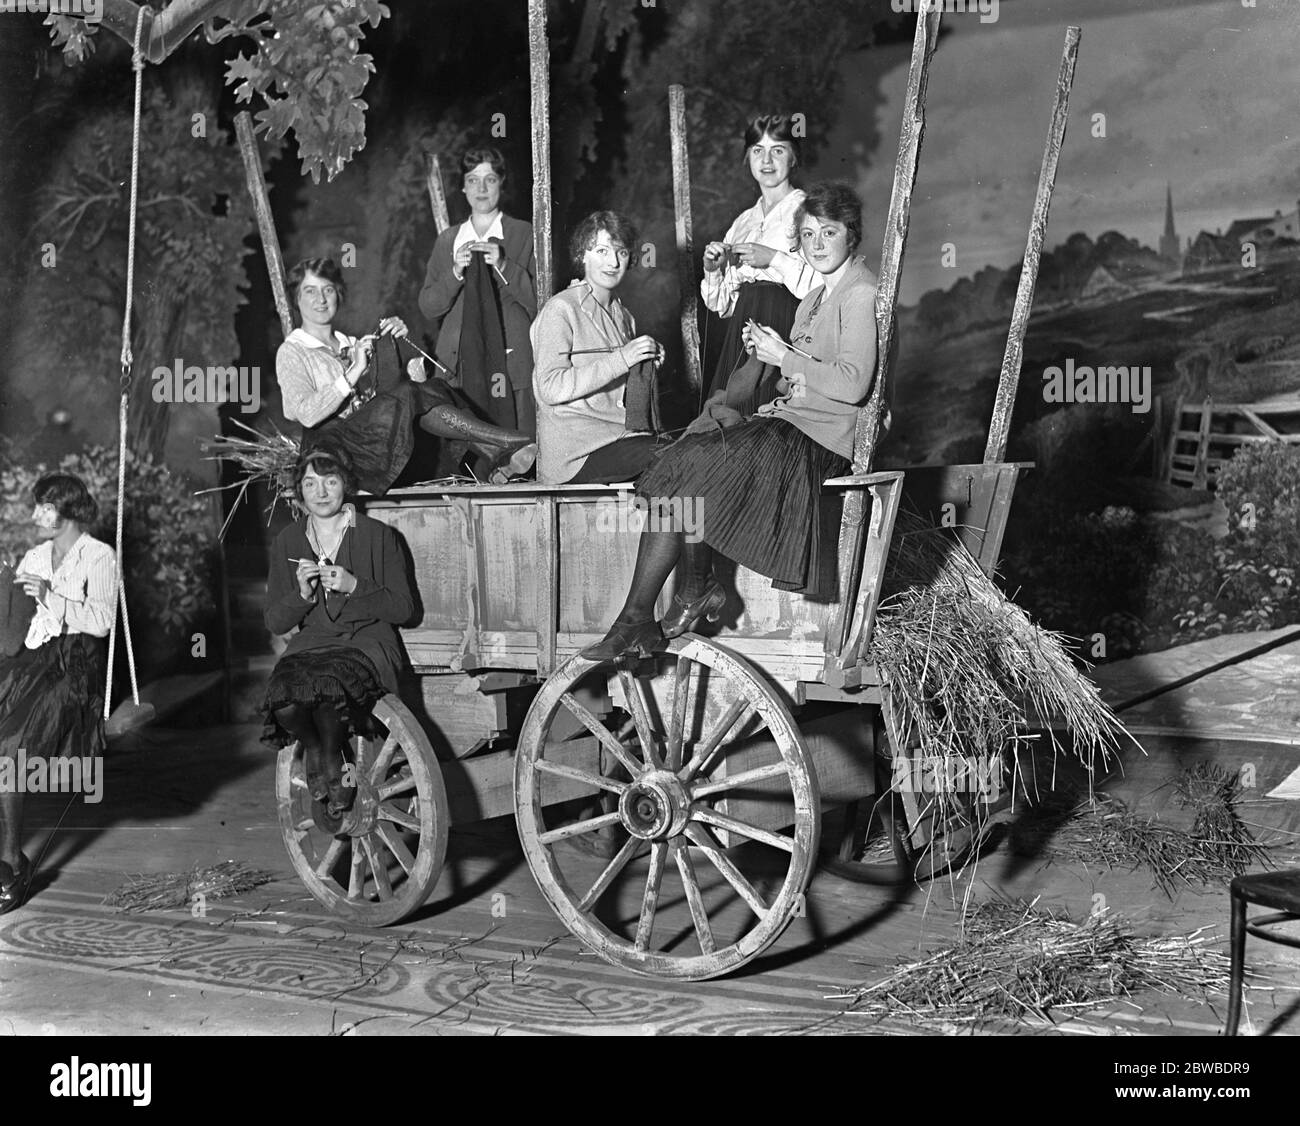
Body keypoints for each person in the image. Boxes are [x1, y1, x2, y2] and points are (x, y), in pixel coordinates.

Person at [582, 182, 878, 660]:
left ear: (852, 235)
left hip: (816, 442)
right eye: (807, 235)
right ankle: (641, 616)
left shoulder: (860, 294)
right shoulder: (818, 298)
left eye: (829, 232)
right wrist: (771, 360)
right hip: (791, 424)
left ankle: (683, 594)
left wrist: (785, 358)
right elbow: (806, 380)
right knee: (683, 460)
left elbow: (853, 384)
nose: (818, 244)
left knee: (693, 464)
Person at [278, 257, 535, 493]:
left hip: (372, 444)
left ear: (339, 295)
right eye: (309, 291)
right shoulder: (293, 351)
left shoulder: (352, 343)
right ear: (296, 299)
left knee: (427, 388)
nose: (321, 299)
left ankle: (495, 449)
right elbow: (306, 414)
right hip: (331, 453)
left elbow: (391, 396)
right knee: (410, 395)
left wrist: (396, 343)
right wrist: (354, 371)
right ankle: (506, 441)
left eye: (328, 290)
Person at [262, 447, 417, 825]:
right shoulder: (288, 541)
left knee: (330, 687)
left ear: (345, 484)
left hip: (367, 639)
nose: (321, 492)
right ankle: (318, 748)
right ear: (298, 492)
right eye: (310, 483)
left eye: (330, 481)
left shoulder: (379, 536)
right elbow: (275, 622)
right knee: (283, 695)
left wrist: (355, 585)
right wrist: (301, 596)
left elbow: (404, 611)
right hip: (314, 639)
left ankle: (330, 752)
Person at [0, 474, 115, 913]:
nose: (34, 516)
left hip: (75, 666)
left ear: (67, 510)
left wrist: (52, 597)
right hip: (34, 660)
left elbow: (102, 622)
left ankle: (12, 860)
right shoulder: (34, 556)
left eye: (43, 508)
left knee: (10, 751)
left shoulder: (99, 556)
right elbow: (21, 629)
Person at [531, 210, 671, 485]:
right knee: (672, 456)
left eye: (620, 252)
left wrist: (648, 363)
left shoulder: (624, 316)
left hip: (618, 438)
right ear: (583, 255)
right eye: (601, 251)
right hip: (577, 452)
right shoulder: (561, 309)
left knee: (686, 452)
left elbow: (620, 390)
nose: (612, 262)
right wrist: (622, 358)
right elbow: (549, 387)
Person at [700, 113, 819, 404]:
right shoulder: (743, 222)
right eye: (757, 151)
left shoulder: (808, 210)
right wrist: (713, 270)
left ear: (793, 158)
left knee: (772, 423)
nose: (766, 161)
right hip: (743, 327)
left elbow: (821, 288)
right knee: (733, 419)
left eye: (778, 150)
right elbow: (723, 306)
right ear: (747, 158)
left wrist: (773, 259)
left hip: (787, 324)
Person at [418, 146, 538, 436]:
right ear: (462, 186)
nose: (481, 188)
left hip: (511, 363)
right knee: (465, 446)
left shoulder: (524, 233)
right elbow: (429, 306)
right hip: (457, 364)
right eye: (472, 179)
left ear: (502, 183)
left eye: (490, 179)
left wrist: (505, 265)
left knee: (517, 445)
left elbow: (540, 302)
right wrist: (455, 272)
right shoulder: (448, 240)